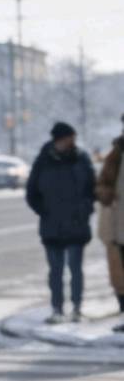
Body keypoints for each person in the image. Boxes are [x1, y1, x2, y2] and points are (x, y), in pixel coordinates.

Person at [26, 122, 96, 324]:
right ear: (59, 140)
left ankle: (77, 308)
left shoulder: (81, 159)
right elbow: (32, 193)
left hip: (77, 224)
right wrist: (45, 212)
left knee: (76, 269)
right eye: (68, 138)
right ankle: (57, 308)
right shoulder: (43, 161)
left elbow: (91, 189)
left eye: (73, 138)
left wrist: (85, 209)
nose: (72, 142)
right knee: (55, 271)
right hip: (52, 226)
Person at [95, 115, 124, 330]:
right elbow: (103, 184)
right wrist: (106, 193)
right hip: (118, 223)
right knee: (119, 272)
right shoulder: (116, 154)